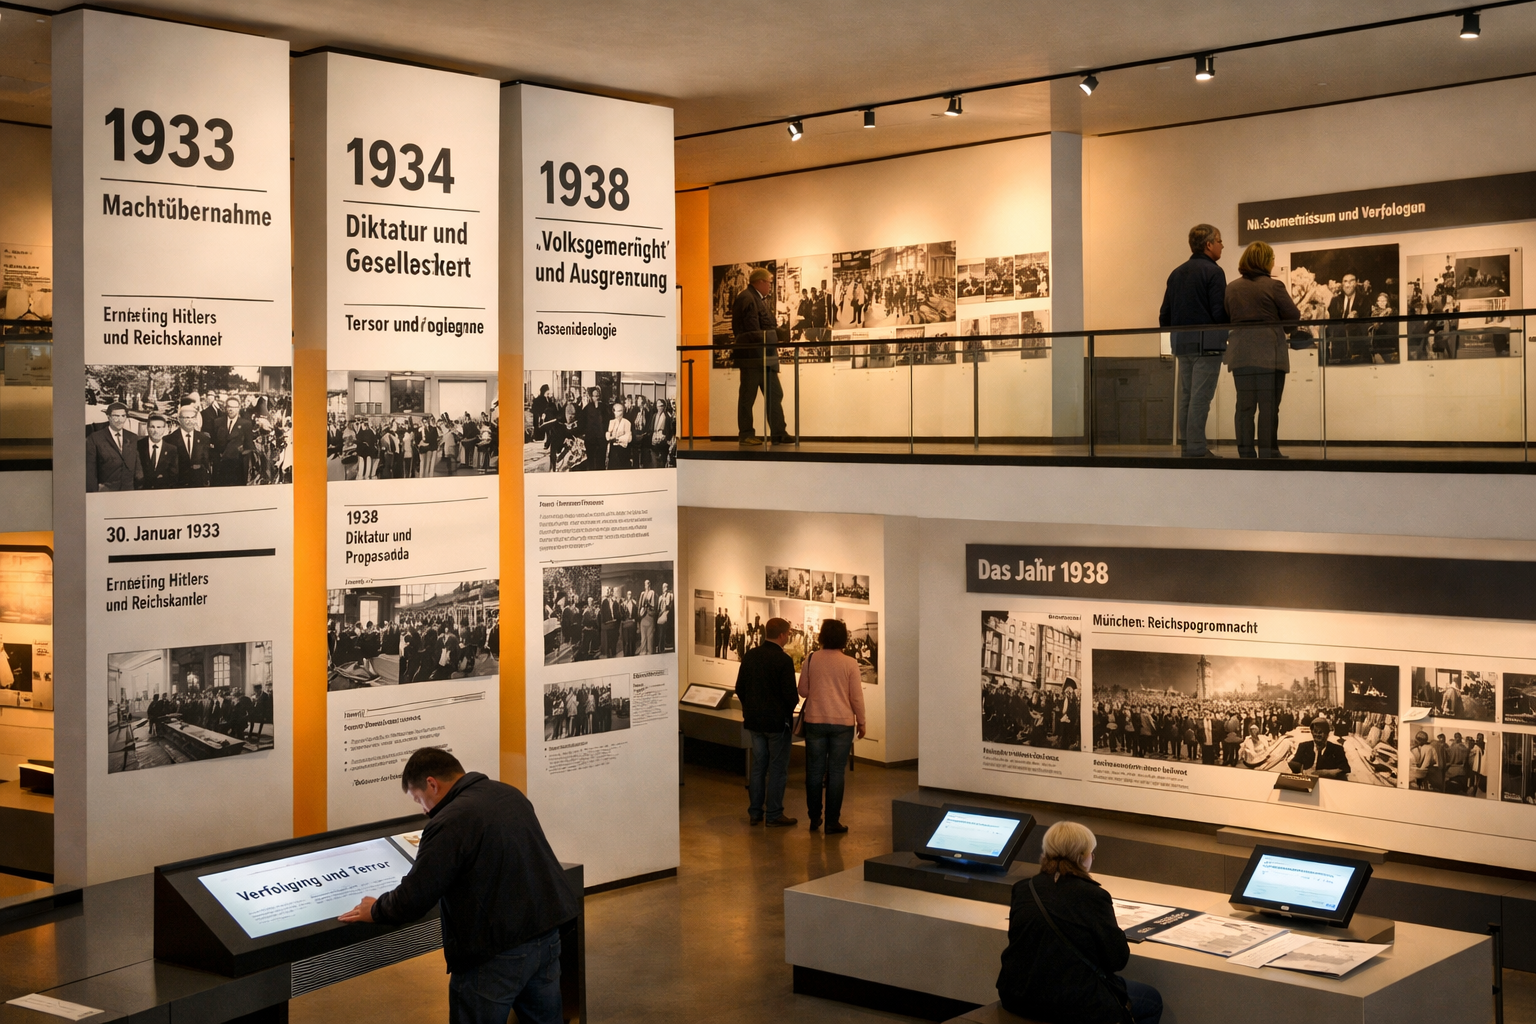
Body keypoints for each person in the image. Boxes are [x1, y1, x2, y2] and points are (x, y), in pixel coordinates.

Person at [338, 748, 579, 1024]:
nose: (424, 809)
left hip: (494, 954)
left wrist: (377, 909)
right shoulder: (508, 794)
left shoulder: (450, 820)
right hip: (546, 936)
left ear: (432, 784)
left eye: (419, 799)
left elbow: (414, 897)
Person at [996, 821, 1162, 1024]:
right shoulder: (1093, 896)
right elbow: (1117, 960)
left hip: (1016, 995)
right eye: (1091, 853)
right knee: (1152, 1001)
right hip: (1070, 1002)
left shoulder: (1023, 889)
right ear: (1083, 857)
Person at [1223, 241, 1302, 460]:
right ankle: (1269, 452)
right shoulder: (1273, 286)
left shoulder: (1232, 287)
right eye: (1272, 258)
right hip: (1270, 355)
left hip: (1240, 354)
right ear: (1266, 261)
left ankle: (1246, 453)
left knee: (1245, 406)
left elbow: (1226, 317)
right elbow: (1293, 316)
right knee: (1268, 407)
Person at [1158, 224, 1228, 459]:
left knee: (1187, 396)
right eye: (1219, 241)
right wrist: (1226, 334)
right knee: (1201, 398)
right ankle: (1197, 447)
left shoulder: (1176, 273)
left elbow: (1164, 315)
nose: (1222, 245)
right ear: (1209, 244)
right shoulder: (1214, 272)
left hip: (1181, 344)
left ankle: (1188, 446)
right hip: (1207, 345)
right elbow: (1219, 313)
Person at [798, 618, 865, 833]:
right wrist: (861, 722)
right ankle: (832, 821)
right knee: (836, 772)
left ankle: (814, 817)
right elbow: (856, 697)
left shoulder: (811, 659)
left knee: (814, 772)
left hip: (815, 720)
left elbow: (803, 691)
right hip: (842, 723)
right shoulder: (850, 663)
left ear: (822, 636)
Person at [734, 616, 800, 827]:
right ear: (781, 635)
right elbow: (791, 695)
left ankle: (755, 812)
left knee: (758, 767)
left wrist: (750, 709)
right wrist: (786, 712)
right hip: (777, 724)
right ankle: (773, 813)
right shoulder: (783, 660)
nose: (789, 636)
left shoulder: (751, 655)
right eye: (788, 633)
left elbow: (739, 688)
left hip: (754, 722)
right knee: (778, 768)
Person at [731, 267, 789, 446]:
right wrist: (777, 335)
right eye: (770, 283)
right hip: (753, 358)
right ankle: (746, 434)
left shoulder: (755, 298)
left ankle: (778, 433)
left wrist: (775, 333)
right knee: (748, 397)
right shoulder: (748, 298)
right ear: (760, 282)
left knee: (775, 394)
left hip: (764, 356)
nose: (771, 286)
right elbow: (752, 332)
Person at [86, 402, 143, 492]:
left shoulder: (132, 437)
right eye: (116, 416)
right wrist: (94, 492)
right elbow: (90, 469)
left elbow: (137, 465)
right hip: (106, 490)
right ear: (108, 417)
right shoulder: (95, 438)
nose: (120, 420)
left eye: (123, 416)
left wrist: (139, 487)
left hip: (129, 490)